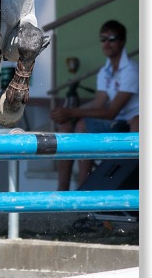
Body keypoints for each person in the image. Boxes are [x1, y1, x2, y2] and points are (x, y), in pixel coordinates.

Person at [50, 20, 139, 191]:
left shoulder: (131, 71)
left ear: (122, 42)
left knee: (83, 125)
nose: (106, 43)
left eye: (112, 39)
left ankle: (84, 191)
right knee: (67, 124)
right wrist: (67, 114)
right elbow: (99, 103)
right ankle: (62, 192)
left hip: (130, 125)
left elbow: (111, 112)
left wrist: (71, 111)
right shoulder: (105, 71)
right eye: (103, 39)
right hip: (114, 122)